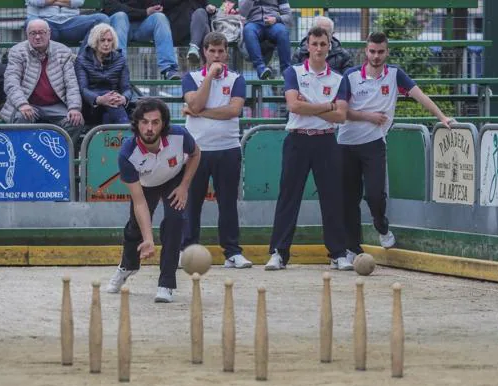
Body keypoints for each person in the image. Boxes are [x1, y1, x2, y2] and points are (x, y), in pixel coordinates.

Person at [339, 31, 455, 262]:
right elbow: (341, 112)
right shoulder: (350, 76)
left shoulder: (394, 74)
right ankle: (352, 248)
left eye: (381, 52)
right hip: (346, 144)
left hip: (374, 144)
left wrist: (442, 117)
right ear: (366, 50)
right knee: (348, 199)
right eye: (372, 51)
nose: (376, 56)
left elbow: (419, 95)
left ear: (387, 52)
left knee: (375, 195)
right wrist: (368, 116)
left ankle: (381, 227)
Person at [264, 26, 352, 272]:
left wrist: (310, 105)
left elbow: (341, 116)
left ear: (329, 46)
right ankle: (278, 253)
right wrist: (326, 106)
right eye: (314, 44)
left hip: (325, 140)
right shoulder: (293, 72)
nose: (319, 48)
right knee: (288, 197)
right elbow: (294, 106)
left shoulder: (338, 79)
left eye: (323, 44)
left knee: (332, 197)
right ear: (307, 46)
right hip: (297, 139)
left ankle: (337, 253)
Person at [106, 98, 201, 303]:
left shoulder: (179, 135)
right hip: (146, 185)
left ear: (163, 124)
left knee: (175, 221)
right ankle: (127, 266)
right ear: (137, 124)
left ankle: (166, 283)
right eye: (144, 122)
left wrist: (184, 186)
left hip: (174, 179)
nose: (149, 128)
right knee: (135, 228)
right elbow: (140, 203)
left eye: (155, 122)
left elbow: (196, 153)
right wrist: (148, 239)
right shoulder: (127, 154)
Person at [181, 32, 252, 269]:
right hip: (196, 151)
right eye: (212, 51)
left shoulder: (237, 79)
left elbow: (233, 111)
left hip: (228, 149)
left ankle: (232, 252)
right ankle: (187, 249)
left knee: (228, 203)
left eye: (221, 51)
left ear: (227, 53)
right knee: (192, 203)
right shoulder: (190, 78)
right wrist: (210, 76)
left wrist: (199, 112)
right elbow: (195, 103)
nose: (217, 55)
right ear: (204, 52)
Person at [1, 19, 84, 149]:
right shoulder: (17, 51)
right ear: (27, 35)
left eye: (41, 32)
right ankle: (26, 156)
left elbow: (71, 83)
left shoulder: (63, 51)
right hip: (29, 104)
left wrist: (74, 107)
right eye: (33, 33)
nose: (38, 37)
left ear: (49, 33)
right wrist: (22, 104)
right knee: (21, 118)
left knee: (75, 121)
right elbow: (11, 82)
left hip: (55, 105)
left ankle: (58, 156)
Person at [104, 0, 181, 80]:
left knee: (160, 17)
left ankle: (168, 69)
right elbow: (112, 7)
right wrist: (145, 12)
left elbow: (156, 6)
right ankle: (118, 68)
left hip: (142, 26)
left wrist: (152, 8)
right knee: (120, 16)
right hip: (119, 26)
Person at [75, 23, 131, 125]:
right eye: (102, 40)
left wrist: (123, 98)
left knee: (110, 110)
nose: (106, 44)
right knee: (110, 99)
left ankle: (115, 137)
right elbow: (83, 89)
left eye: (109, 40)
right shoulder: (82, 60)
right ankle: (126, 133)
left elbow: (126, 88)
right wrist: (100, 99)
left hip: (114, 104)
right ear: (95, 41)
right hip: (91, 106)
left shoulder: (120, 59)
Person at [239, 0, 291, 80]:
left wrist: (276, 19)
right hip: (253, 23)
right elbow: (242, 13)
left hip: (273, 24)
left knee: (282, 31)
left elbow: (288, 16)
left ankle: (286, 71)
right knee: (248, 30)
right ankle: (261, 69)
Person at [25, 0, 108, 49]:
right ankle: (39, 66)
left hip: (71, 23)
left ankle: (81, 61)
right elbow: (38, 1)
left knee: (101, 19)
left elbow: (77, 2)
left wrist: (50, 2)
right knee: (31, 23)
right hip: (46, 23)